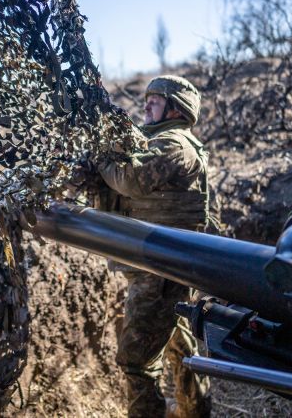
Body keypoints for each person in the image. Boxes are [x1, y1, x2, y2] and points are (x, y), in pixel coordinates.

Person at [95, 75, 211, 418]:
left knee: (135, 360)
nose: (146, 104)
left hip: (158, 271)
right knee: (180, 345)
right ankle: (196, 410)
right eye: (146, 98)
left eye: (155, 99)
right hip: (164, 264)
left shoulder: (175, 144)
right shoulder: (165, 141)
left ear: (176, 107)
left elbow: (130, 178)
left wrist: (101, 158)